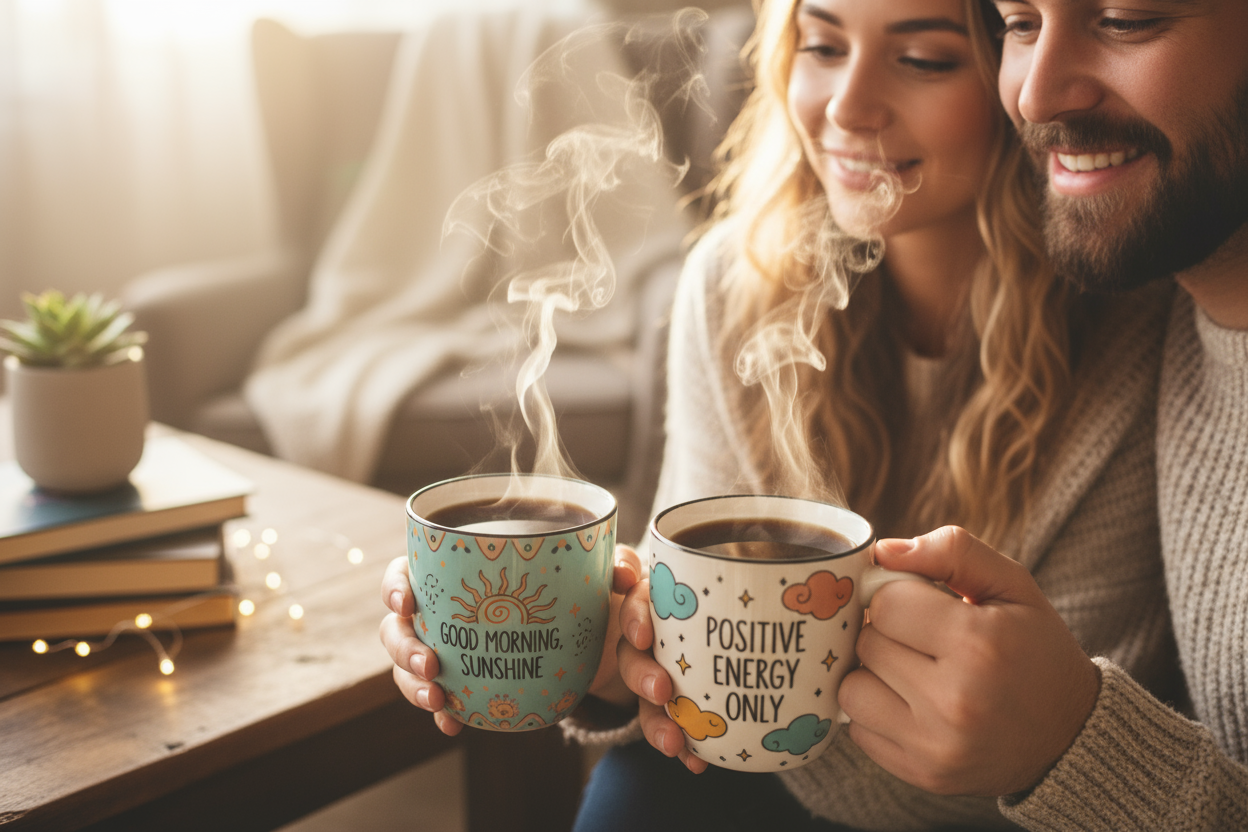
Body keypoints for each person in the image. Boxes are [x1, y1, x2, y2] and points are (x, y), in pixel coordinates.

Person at [381, 0, 1181, 828]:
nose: (845, 107)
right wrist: (611, 651)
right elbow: (691, 654)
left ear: (1020, 79)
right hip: (747, 773)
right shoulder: (734, 284)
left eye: (925, 60)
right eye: (823, 45)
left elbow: (1066, 753)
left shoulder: (1135, 320)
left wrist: (720, 679)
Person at [821, 1, 1248, 829]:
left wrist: (1072, 744)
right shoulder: (1175, 313)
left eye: (1124, 18)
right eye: (1019, 22)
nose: (1034, 94)